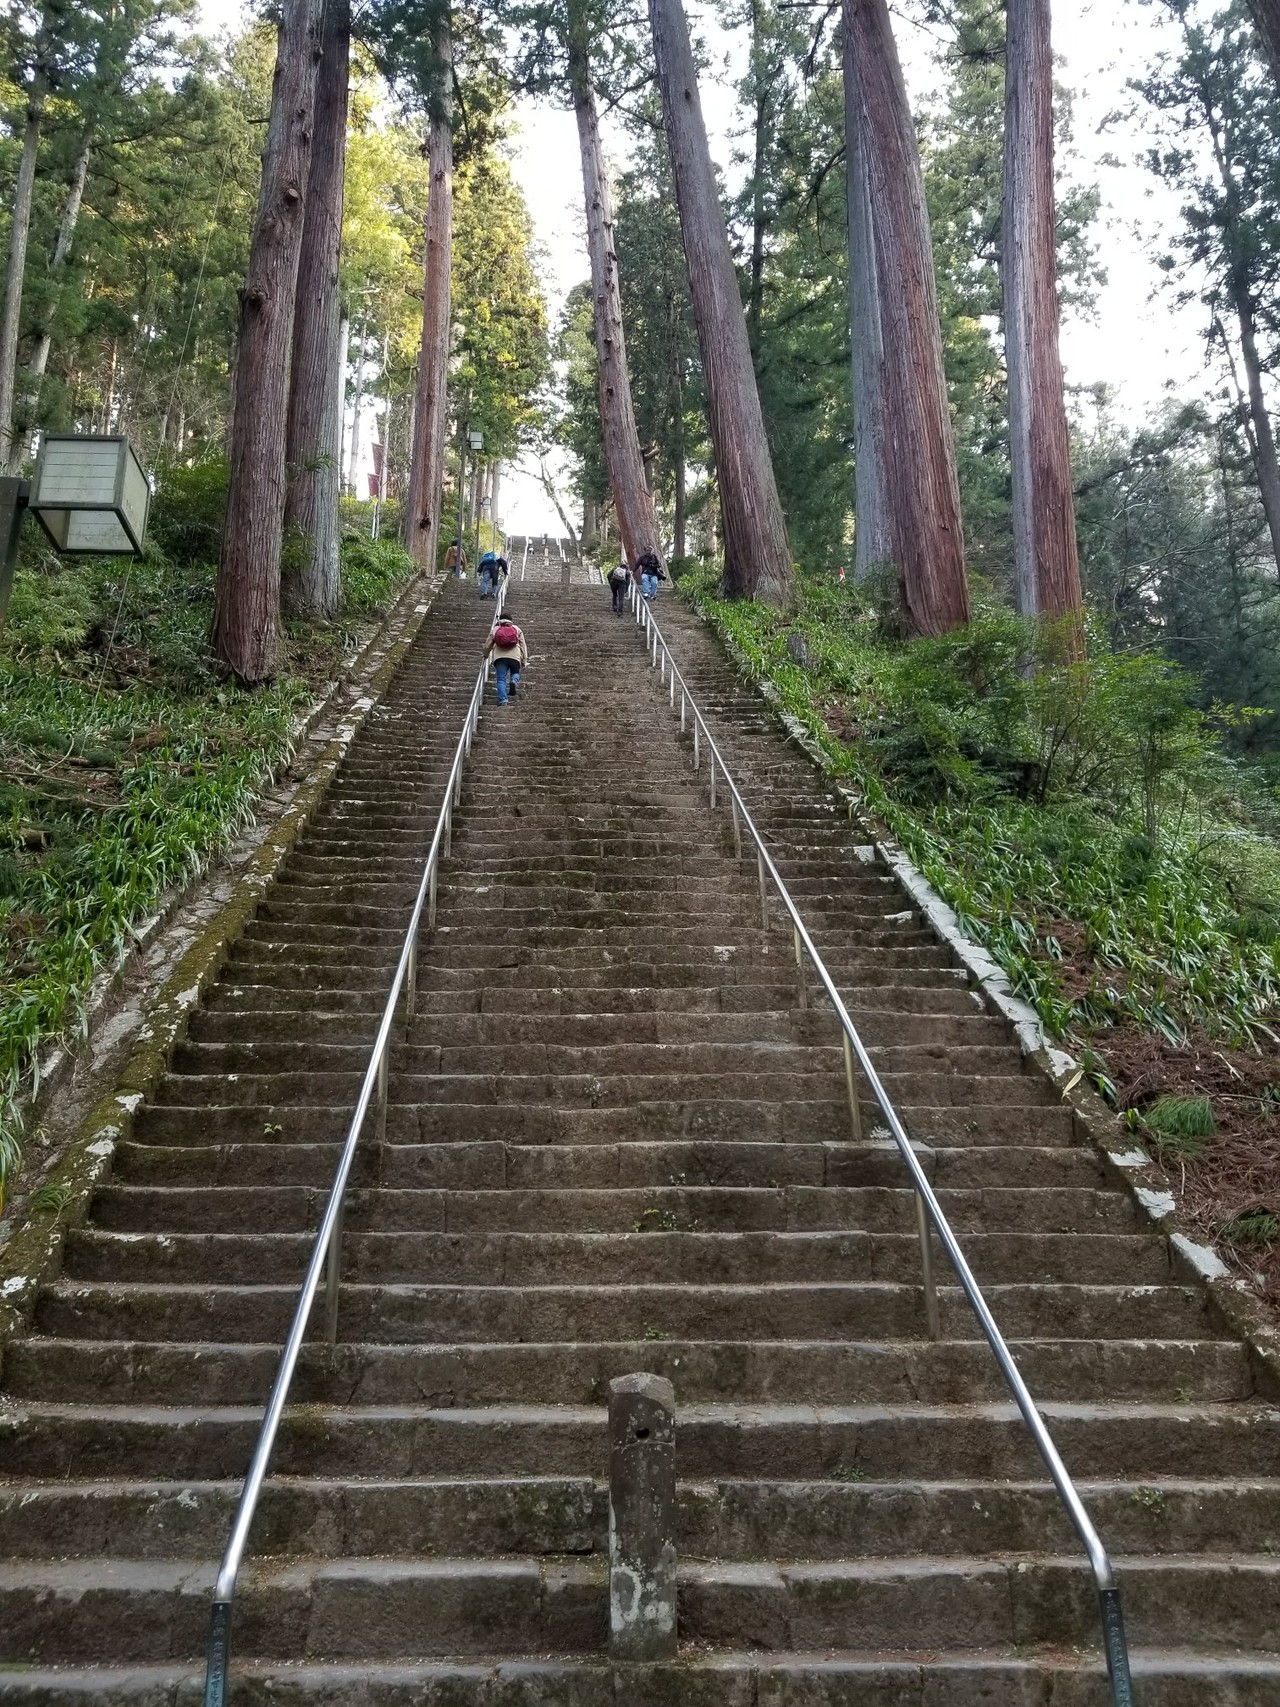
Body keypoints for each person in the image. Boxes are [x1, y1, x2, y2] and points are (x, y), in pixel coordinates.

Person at [485, 610, 527, 705]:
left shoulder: (496, 629)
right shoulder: (517, 629)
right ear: (510, 620)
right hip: (515, 657)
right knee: (515, 673)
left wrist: (486, 654)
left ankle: (503, 700)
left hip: (500, 658)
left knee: (501, 679)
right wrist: (524, 660)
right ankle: (514, 681)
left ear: (500, 620)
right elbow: (523, 645)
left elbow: (488, 644)